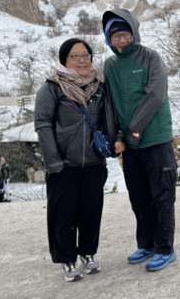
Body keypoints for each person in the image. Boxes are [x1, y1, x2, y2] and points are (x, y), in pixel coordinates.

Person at [34, 38, 118, 282]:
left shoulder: (99, 87)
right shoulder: (52, 88)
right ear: (64, 61)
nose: (82, 60)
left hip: (93, 163)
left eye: (86, 55)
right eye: (75, 56)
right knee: (64, 214)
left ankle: (88, 253)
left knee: (91, 212)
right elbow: (43, 124)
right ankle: (67, 258)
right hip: (64, 164)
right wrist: (54, 161)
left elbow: (109, 119)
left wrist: (112, 145)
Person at [102, 9, 177, 272]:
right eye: (115, 36)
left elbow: (155, 95)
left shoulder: (150, 58)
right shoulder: (109, 66)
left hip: (155, 139)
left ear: (134, 32)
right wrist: (119, 136)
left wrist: (133, 129)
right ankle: (146, 244)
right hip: (130, 146)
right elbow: (113, 104)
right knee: (139, 197)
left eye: (124, 34)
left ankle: (165, 248)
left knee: (162, 196)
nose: (121, 40)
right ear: (107, 39)